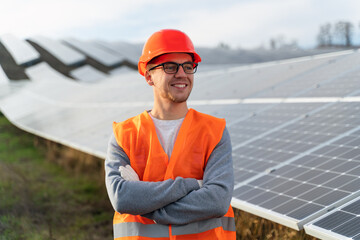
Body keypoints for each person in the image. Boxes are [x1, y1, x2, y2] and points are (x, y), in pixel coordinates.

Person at [105, 29, 235, 240]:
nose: (182, 74)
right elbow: (122, 198)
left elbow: (217, 200)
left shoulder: (214, 131)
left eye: (188, 66)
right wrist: (194, 185)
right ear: (149, 76)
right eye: (170, 67)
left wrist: (144, 203)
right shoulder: (124, 135)